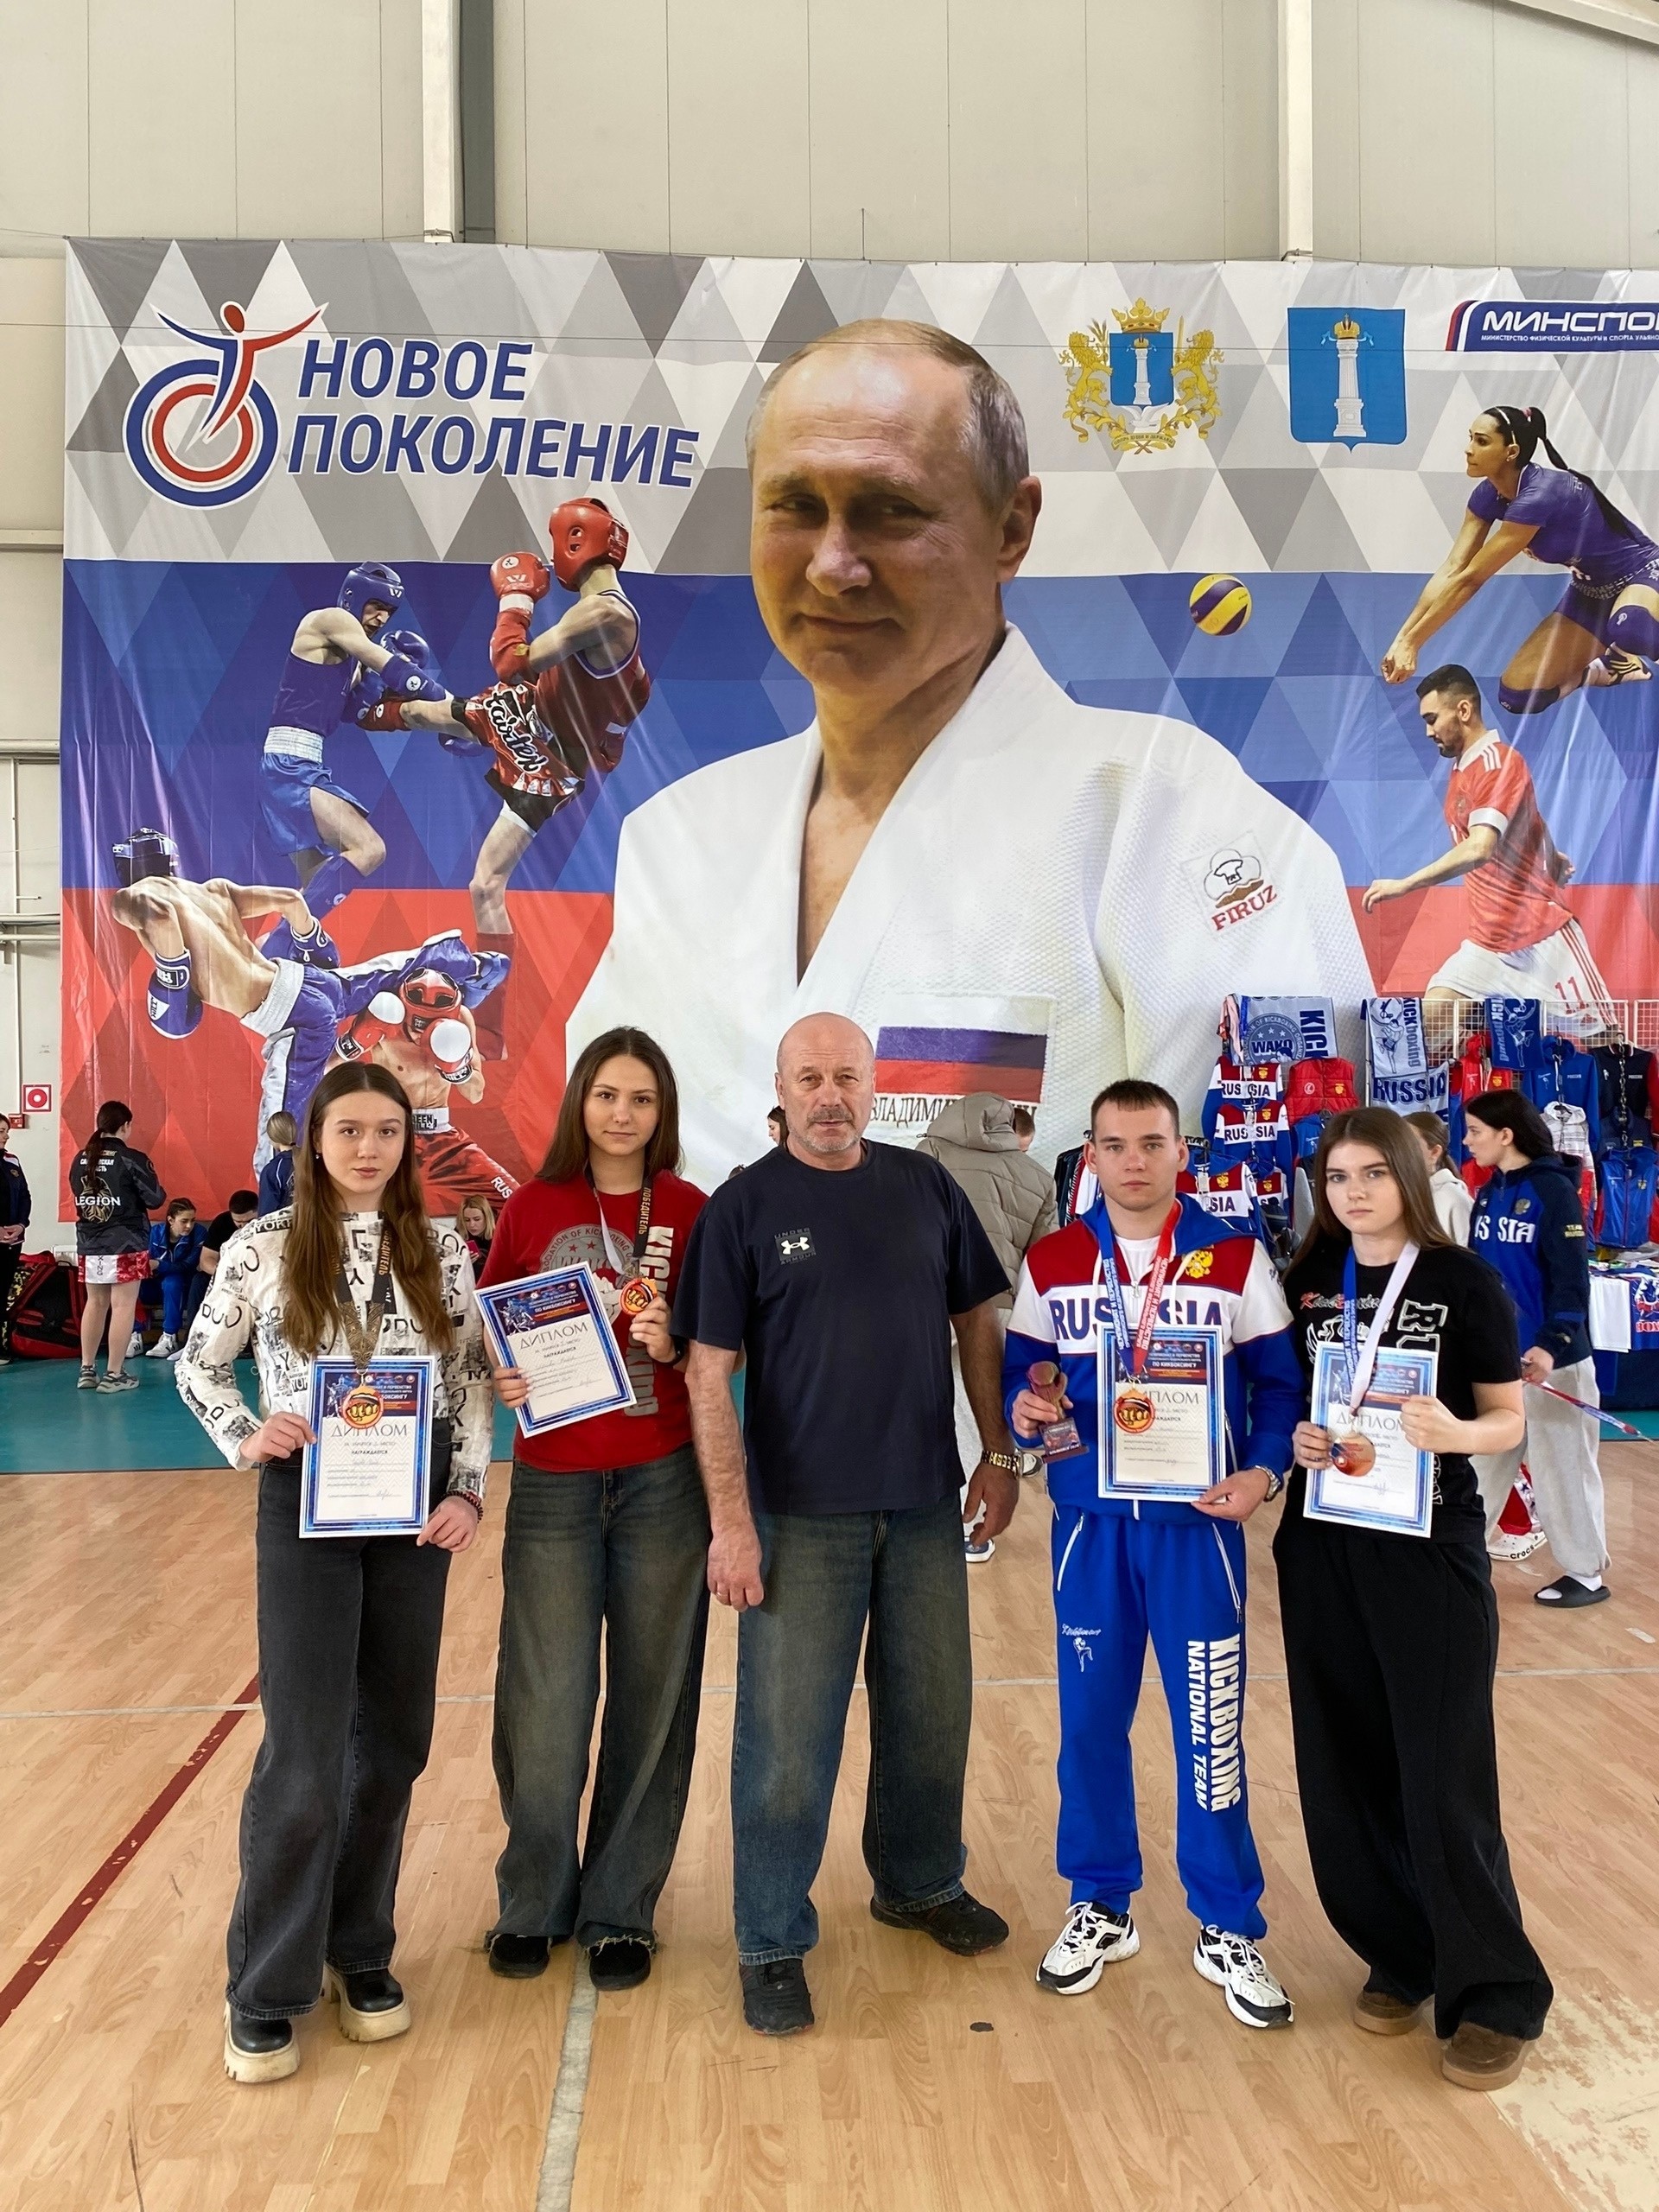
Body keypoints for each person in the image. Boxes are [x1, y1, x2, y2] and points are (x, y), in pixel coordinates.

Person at [569, 321, 1372, 1185]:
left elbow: (1290, 1195)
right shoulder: (676, 836)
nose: (833, 565)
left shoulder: (1166, 810)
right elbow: (599, 1174)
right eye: (795, 507)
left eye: (891, 510)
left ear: (1011, 528)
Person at [674, 1013, 1018, 2037]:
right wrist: (731, 1524)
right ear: (782, 1089)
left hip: (923, 1506)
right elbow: (706, 1375)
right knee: (786, 1743)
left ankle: (918, 1881)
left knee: (932, 1714)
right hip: (797, 1519)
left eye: (847, 1077)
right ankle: (770, 1937)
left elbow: (978, 1320)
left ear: (875, 1086)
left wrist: (998, 1452)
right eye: (810, 1078)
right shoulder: (742, 1207)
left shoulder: (926, 1186)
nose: (830, 1096)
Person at [175, 1062, 491, 2084]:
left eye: (387, 1130)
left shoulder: (441, 1247)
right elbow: (196, 1362)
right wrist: (245, 1431)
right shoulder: (263, 1245)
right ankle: (266, 1984)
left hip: (413, 1513)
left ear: (407, 1141)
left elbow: (469, 1376)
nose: (368, 1147)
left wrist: (468, 1490)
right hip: (306, 1506)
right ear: (314, 1139)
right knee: (305, 1754)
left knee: (393, 1742)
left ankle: (359, 1949)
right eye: (349, 1129)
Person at [1003, 1080, 1301, 2031]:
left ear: (1181, 1150)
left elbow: (1280, 1384)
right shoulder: (1054, 1258)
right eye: (1114, 1145)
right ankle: (1100, 1902)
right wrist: (1025, 1409)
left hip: (1198, 1529)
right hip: (1090, 1529)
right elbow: (1021, 1375)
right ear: (1090, 1154)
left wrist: (1262, 1472)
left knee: (1209, 1729)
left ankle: (1227, 1922)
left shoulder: (1235, 1255)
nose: (1133, 1161)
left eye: (1151, 1143)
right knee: (1090, 1725)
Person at [1279, 1108, 1551, 2091]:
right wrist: (1300, 1439)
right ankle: (1401, 1950)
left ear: (1408, 1175)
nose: (1354, 1193)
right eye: (1336, 1177)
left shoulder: (1462, 1280)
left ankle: (1496, 1990)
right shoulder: (1308, 1279)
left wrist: (1455, 1432)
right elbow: (1291, 1397)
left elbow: (1507, 1416)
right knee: (1345, 1761)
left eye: (1372, 1174)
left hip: (1429, 1546)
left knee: (1443, 1768)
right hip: (1324, 1540)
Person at [479, 1028, 709, 1993]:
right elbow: (490, 1332)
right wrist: (503, 1373)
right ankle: (533, 1900)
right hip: (555, 1484)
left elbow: (726, 1348)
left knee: (654, 1696)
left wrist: (674, 1339)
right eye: (608, 1094)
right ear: (580, 1101)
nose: (623, 1114)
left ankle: (622, 1908)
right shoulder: (533, 1206)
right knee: (545, 1698)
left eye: (642, 1099)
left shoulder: (691, 1210)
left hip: (663, 1482)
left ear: (663, 1113)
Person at [361, 501, 650, 1061]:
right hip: (529, 716)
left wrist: (515, 599)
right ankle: (359, 705)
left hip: (545, 763)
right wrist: (605, 744)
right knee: (425, 713)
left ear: (574, 542)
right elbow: (631, 698)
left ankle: (489, 1033)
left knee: (485, 885)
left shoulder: (604, 615)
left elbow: (511, 661)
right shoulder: (615, 624)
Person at [1362, 667, 1612, 1021]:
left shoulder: (1498, 762)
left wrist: (1405, 884)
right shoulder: (1462, 769)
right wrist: (1550, 854)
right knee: (1432, 1021)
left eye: (1432, 719)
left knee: (1609, 1045)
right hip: (1488, 946)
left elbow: (1480, 848)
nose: (1428, 731)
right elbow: (1530, 814)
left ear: (1463, 711)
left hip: (1541, 938)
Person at [1382, 404, 1659, 712]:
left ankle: (1628, 641)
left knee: (1632, 627)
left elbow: (1471, 580)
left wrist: (1415, 642)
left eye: (1481, 441)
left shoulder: (1540, 495)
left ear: (1511, 452)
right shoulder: (1487, 496)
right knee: (1517, 696)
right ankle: (1613, 666)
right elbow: (1453, 570)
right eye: (1470, 438)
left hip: (1641, 573)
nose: (1469, 449)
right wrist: (1403, 638)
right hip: (1591, 593)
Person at [1462, 1090, 1609, 1607]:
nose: (1467, 1141)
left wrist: (1549, 1347)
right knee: (1480, 1466)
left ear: (1506, 1135)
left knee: (1563, 1470)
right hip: (1498, 1363)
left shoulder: (1553, 1191)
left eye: (1475, 1131)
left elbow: (1572, 1282)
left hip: (1553, 1365)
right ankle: (1461, 1559)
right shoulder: (1487, 1194)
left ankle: (1585, 1574)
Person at [916, 1090, 1057, 1561]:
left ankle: (919, 1518)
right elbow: (1045, 1263)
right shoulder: (1037, 1176)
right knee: (982, 1413)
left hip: (927, 1304)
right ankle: (971, 1527)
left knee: (925, 1410)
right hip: (997, 1306)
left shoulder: (927, 1156)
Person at [258, 562, 447, 912]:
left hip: (294, 764)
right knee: (369, 849)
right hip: (290, 766)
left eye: (389, 611)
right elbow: (396, 671)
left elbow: (354, 713)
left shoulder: (350, 658)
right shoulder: (331, 619)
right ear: (353, 596)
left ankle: (277, 944)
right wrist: (456, 708)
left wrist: (382, 691)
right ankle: (288, 937)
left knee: (314, 890)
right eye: (376, 606)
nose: (381, 618)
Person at [70, 1101, 164, 1394]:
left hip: (89, 1241)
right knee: (123, 1306)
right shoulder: (131, 1158)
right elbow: (155, 1198)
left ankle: (87, 1370)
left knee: (95, 1303)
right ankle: (114, 1374)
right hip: (126, 1243)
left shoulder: (80, 1158)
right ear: (126, 1126)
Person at [144, 1198, 206, 1358]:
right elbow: (145, 1262)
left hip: (183, 1288)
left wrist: (159, 1265)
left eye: (192, 1220)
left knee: (173, 1280)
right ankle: (134, 1335)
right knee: (129, 1281)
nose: (189, 1226)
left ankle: (169, 1337)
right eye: (184, 1221)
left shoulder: (199, 1234)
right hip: (155, 1285)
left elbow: (188, 1266)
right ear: (171, 1220)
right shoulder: (155, 1233)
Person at [1404, 1110, 1472, 1243]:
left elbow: (1468, 1251)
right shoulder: (1401, 1194)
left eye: (1410, 1144)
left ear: (1435, 1152)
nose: (1401, 1152)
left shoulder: (1453, 1197)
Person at [0, 1111, 30, 1365]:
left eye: (7, 1131)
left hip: (12, 1242)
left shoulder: (12, 1161)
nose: (6, 1136)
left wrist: (20, 1225)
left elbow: (25, 1196)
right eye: (1, 1131)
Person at [200, 1191, 259, 1280]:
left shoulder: (267, 1220)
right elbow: (206, 1260)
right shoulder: (222, 1222)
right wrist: (226, 1274)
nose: (244, 1226)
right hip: (228, 1273)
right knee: (200, 1279)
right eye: (238, 1222)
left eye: (250, 1221)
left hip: (258, 1273)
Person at [257, 1114, 297, 1216]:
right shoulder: (314, 1160)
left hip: (287, 1224)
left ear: (272, 1138)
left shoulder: (273, 1170)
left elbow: (266, 1215)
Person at [459, 1195, 494, 1273]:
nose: (472, 1225)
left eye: (477, 1219)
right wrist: (462, 1263)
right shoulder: (458, 1235)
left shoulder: (499, 1235)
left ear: (487, 1218)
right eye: (467, 1220)